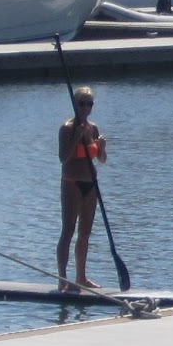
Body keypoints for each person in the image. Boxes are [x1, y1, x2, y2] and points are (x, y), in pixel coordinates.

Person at [57, 86, 108, 291]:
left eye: (89, 104)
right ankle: (62, 278)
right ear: (75, 104)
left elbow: (101, 159)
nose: (86, 107)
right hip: (72, 183)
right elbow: (63, 158)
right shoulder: (67, 128)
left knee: (85, 232)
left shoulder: (93, 128)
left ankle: (81, 277)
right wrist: (76, 137)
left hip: (91, 184)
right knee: (68, 230)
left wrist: (101, 148)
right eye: (82, 103)